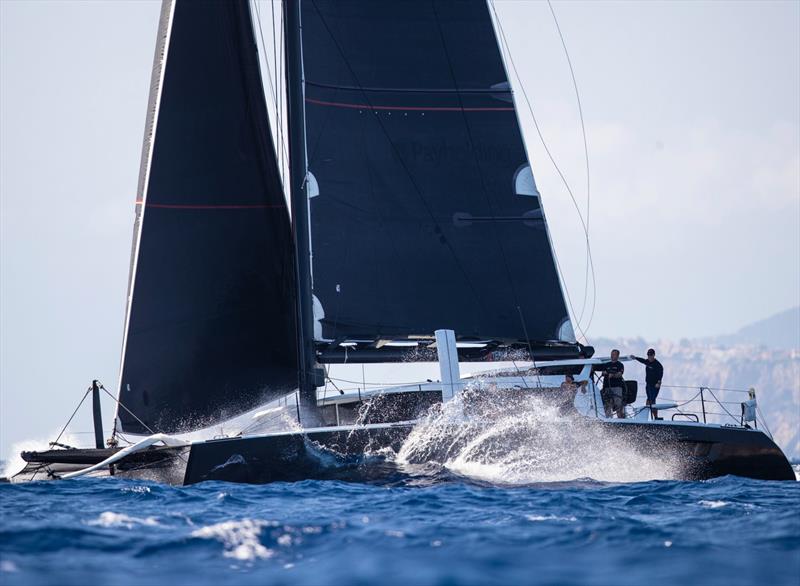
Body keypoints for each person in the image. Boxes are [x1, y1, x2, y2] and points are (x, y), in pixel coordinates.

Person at [630, 348, 664, 419]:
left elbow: (660, 375)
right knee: (649, 399)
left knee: (652, 400)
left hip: (655, 385)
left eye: (651, 355)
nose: (649, 357)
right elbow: (642, 360)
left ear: (654, 355)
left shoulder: (658, 365)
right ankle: (647, 417)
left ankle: (655, 417)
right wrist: (635, 358)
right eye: (648, 355)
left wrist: (658, 383)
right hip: (648, 385)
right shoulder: (647, 362)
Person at [597, 349, 625, 418]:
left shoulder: (620, 365)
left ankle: (621, 419)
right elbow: (603, 373)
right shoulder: (607, 364)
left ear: (617, 356)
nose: (612, 356)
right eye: (611, 354)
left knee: (618, 404)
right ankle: (608, 420)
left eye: (614, 354)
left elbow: (620, 374)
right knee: (607, 404)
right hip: (607, 387)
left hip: (617, 387)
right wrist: (605, 373)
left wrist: (613, 375)